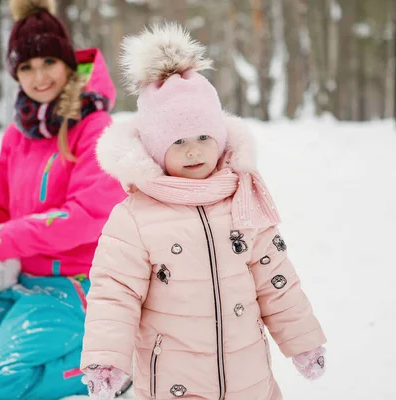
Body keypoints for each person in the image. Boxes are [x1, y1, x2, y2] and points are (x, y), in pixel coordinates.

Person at [80, 23, 327, 400]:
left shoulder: (242, 199)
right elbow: (115, 292)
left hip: (249, 379)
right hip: (174, 382)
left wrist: (303, 341)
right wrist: (107, 358)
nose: (193, 151)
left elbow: (277, 279)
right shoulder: (135, 216)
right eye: (178, 141)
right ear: (155, 147)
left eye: (203, 138)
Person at [0, 0, 128, 398]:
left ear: (68, 63)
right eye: (26, 67)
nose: (39, 78)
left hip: (75, 283)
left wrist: (3, 241)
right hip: (22, 279)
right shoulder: (19, 132)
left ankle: (119, 365)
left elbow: (87, 216)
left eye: (48, 62)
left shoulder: (95, 128)